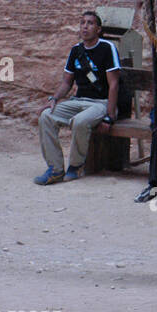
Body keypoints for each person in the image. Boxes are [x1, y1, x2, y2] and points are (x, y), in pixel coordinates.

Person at [35, 10, 121, 184]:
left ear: (98, 29)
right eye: (82, 23)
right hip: (78, 100)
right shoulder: (76, 50)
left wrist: (109, 116)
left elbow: (114, 84)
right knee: (46, 116)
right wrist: (54, 99)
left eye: (90, 23)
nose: (85, 26)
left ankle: (75, 166)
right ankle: (55, 169)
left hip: (100, 103)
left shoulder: (107, 47)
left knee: (80, 121)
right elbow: (67, 83)